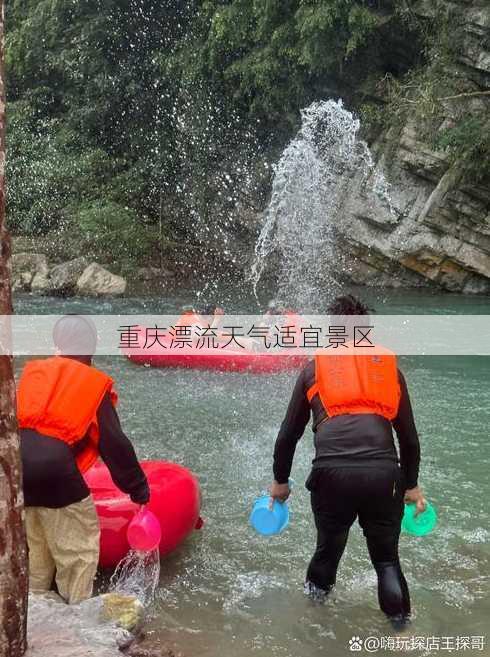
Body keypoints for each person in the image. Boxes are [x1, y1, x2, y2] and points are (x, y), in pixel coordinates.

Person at [269, 295, 425, 626]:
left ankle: (311, 622)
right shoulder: (390, 371)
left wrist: (280, 481)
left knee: (328, 551)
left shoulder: (313, 370)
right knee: (386, 561)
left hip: (331, 475)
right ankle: (402, 634)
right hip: (385, 475)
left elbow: (287, 436)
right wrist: (410, 486)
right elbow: (409, 440)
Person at [17, 315, 150, 604]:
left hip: (16, 474)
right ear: (93, 348)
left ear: (57, 346)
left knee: (36, 554)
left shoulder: (32, 373)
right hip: (57, 475)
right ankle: (75, 621)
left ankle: (34, 614)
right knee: (78, 556)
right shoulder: (93, 384)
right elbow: (114, 445)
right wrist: (138, 488)